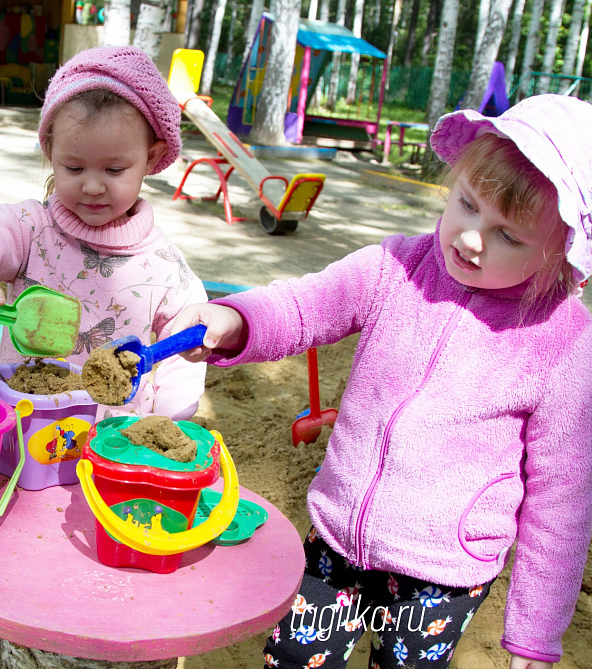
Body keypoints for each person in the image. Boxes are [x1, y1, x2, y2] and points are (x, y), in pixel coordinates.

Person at [170, 94, 592, 668]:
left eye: (509, 236)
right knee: (291, 660)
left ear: (562, 250)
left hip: (443, 573)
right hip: (339, 539)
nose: (470, 238)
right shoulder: (397, 267)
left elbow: (562, 502)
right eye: (465, 205)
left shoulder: (561, 340)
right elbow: (307, 304)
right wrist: (237, 319)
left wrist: (535, 636)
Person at [0, 46, 207, 420]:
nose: (92, 186)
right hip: (23, 434)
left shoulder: (164, 266)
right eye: (73, 168)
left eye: (114, 170)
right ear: (49, 149)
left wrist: (167, 419)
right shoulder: (27, 229)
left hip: (112, 445)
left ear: (151, 159)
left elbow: (185, 347)